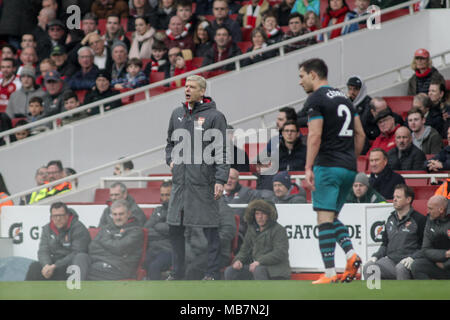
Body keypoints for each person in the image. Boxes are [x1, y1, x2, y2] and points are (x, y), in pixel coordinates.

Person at [299, 58, 366, 284]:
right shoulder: (345, 99)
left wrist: (308, 166)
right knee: (331, 217)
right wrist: (350, 159)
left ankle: (329, 273)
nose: (300, 82)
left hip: (327, 165)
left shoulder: (315, 99)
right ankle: (351, 256)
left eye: (302, 76)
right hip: (348, 167)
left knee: (323, 219)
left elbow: (315, 135)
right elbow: (361, 135)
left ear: (313, 75)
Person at [165, 75, 229, 280]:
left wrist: (220, 180)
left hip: (203, 184)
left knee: (209, 229)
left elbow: (222, 150)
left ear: (202, 91)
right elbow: (169, 143)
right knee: (175, 229)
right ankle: (177, 273)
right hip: (180, 184)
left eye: (192, 87)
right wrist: (170, 160)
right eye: (185, 86)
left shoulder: (215, 116)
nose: (187, 90)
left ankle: (211, 273)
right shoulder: (176, 114)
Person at [362, 184, 426, 280]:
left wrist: (413, 258)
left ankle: (402, 294)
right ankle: (374, 294)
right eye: (394, 197)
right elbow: (385, 244)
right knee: (370, 267)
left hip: (407, 261)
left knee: (400, 268)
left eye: (398, 197)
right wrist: (375, 256)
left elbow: (424, 246)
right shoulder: (391, 218)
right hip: (391, 261)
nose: (394, 200)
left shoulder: (419, 219)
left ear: (408, 200)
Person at [73, 199, 145, 280]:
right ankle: (76, 291)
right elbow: (92, 248)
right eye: (115, 214)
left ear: (128, 214)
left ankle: (76, 290)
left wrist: (104, 241)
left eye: (121, 214)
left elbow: (119, 248)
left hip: (120, 268)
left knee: (82, 270)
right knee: (81, 257)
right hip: (101, 261)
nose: (118, 217)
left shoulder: (136, 231)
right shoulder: (106, 228)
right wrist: (112, 249)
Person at [224, 199, 291, 280]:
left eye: (263, 213)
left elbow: (280, 253)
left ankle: (263, 292)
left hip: (276, 271)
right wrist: (238, 260)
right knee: (230, 271)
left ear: (270, 215)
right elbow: (244, 250)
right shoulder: (251, 229)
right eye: (257, 214)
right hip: (257, 267)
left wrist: (259, 262)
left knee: (259, 270)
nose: (260, 217)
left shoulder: (279, 230)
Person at [25, 202, 90, 281]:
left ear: (67, 215)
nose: (58, 219)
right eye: (55, 216)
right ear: (51, 217)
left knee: (79, 259)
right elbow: (43, 250)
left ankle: (75, 292)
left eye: (61, 215)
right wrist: (46, 265)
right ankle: (28, 292)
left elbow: (77, 252)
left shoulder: (78, 228)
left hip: (70, 263)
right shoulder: (47, 229)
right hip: (54, 264)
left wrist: (55, 266)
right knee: (34, 267)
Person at [185, 199, 236, 280]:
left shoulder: (224, 209)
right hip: (195, 251)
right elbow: (186, 234)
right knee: (179, 264)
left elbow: (228, 232)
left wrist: (208, 245)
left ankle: (191, 292)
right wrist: (189, 252)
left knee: (193, 268)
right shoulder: (194, 209)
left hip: (217, 253)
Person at [410, 195, 450, 279]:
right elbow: (425, 249)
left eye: (430, 209)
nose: (427, 211)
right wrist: (445, 254)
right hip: (439, 261)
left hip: (445, 264)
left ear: (441, 210)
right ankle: (427, 291)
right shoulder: (430, 219)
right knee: (417, 265)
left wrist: (445, 265)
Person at [144, 181, 173, 280]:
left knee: (154, 267)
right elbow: (146, 229)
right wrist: (162, 231)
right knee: (137, 262)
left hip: (169, 250)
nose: (164, 199)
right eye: (162, 195)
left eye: (168, 195)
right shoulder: (157, 210)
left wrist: (156, 225)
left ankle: (156, 294)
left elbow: (171, 229)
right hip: (154, 248)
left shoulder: (179, 210)